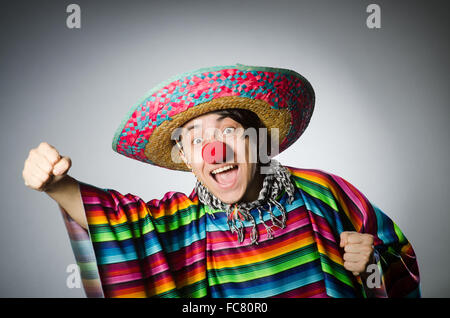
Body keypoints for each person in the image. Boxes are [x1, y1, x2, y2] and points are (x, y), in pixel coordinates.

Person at [22, 64, 420, 298]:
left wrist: (372, 264)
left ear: (256, 141)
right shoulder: (184, 218)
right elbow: (118, 223)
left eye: (227, 131)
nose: (213, 149)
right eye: (195, 139)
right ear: (188, 159)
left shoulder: (324, 192)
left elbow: (397, 260)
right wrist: (57, 186)